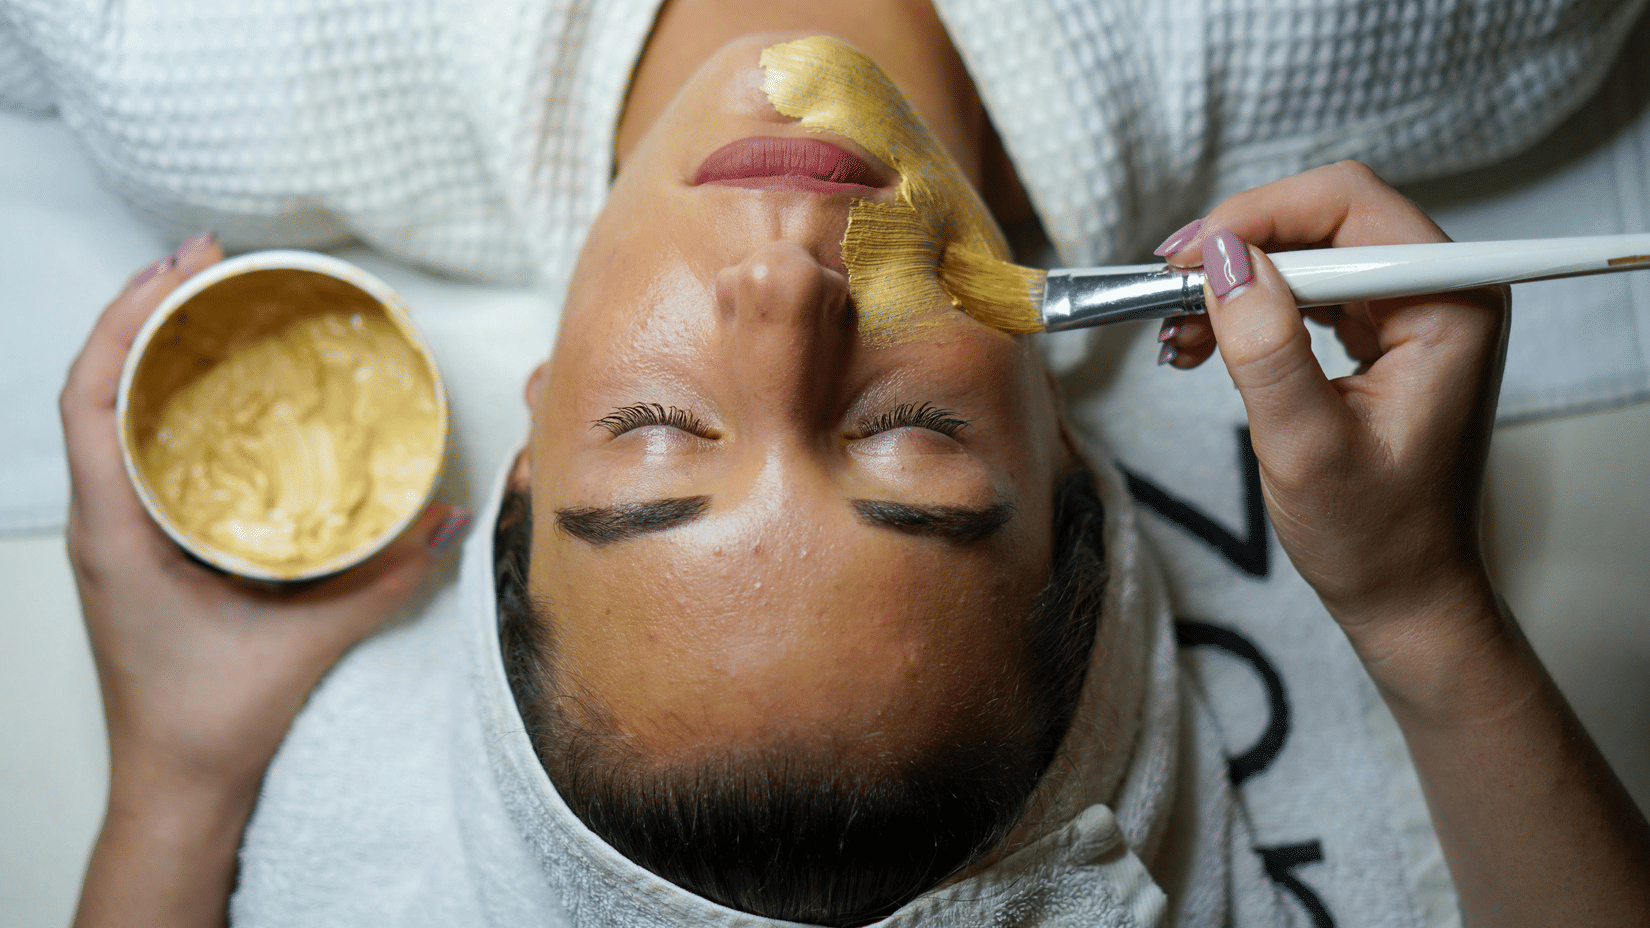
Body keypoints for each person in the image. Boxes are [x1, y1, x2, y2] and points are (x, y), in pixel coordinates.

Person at [40, 1, 1650, 926]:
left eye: (659, 430)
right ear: (1068, 440)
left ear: (529, 431)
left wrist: (175, 782)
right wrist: (1422, 612)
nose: (781, 300)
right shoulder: (1439, 21)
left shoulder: (179, 48)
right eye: (908, 434)